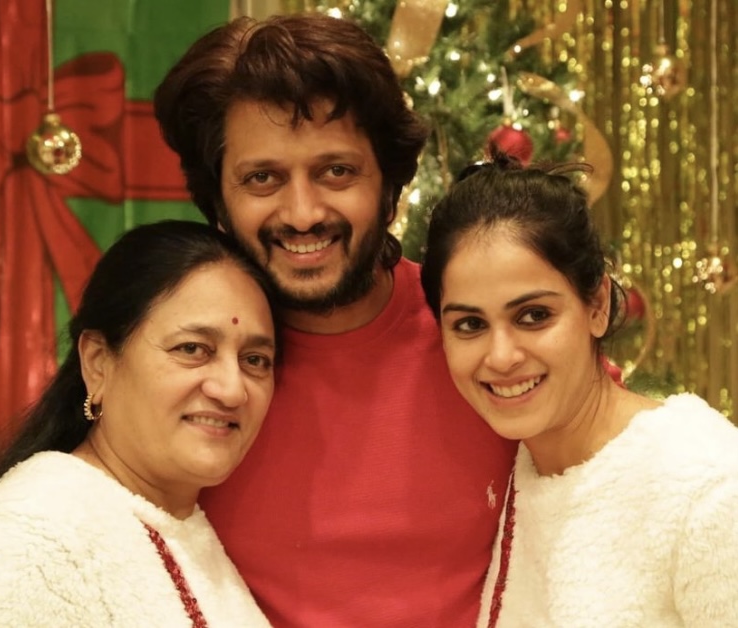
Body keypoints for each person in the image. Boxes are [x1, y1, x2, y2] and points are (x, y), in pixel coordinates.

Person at [153, 13, 517, 627]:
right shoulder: (180, 369)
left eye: (336, 171)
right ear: (217, 200)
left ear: (390, 185)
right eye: (262, 178)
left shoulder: (490, 338)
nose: (302, 213)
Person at [419, 152, 738, 627]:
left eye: (534, 316)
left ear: (598, 305)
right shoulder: (522, 471)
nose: (501, 356)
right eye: (470, 324)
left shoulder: (707, 487)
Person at [0, 220, 279, 627]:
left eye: (255, 360)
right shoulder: (33, 537)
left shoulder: (186, 531)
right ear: (98, 363)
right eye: (192, 349)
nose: (232, 390)